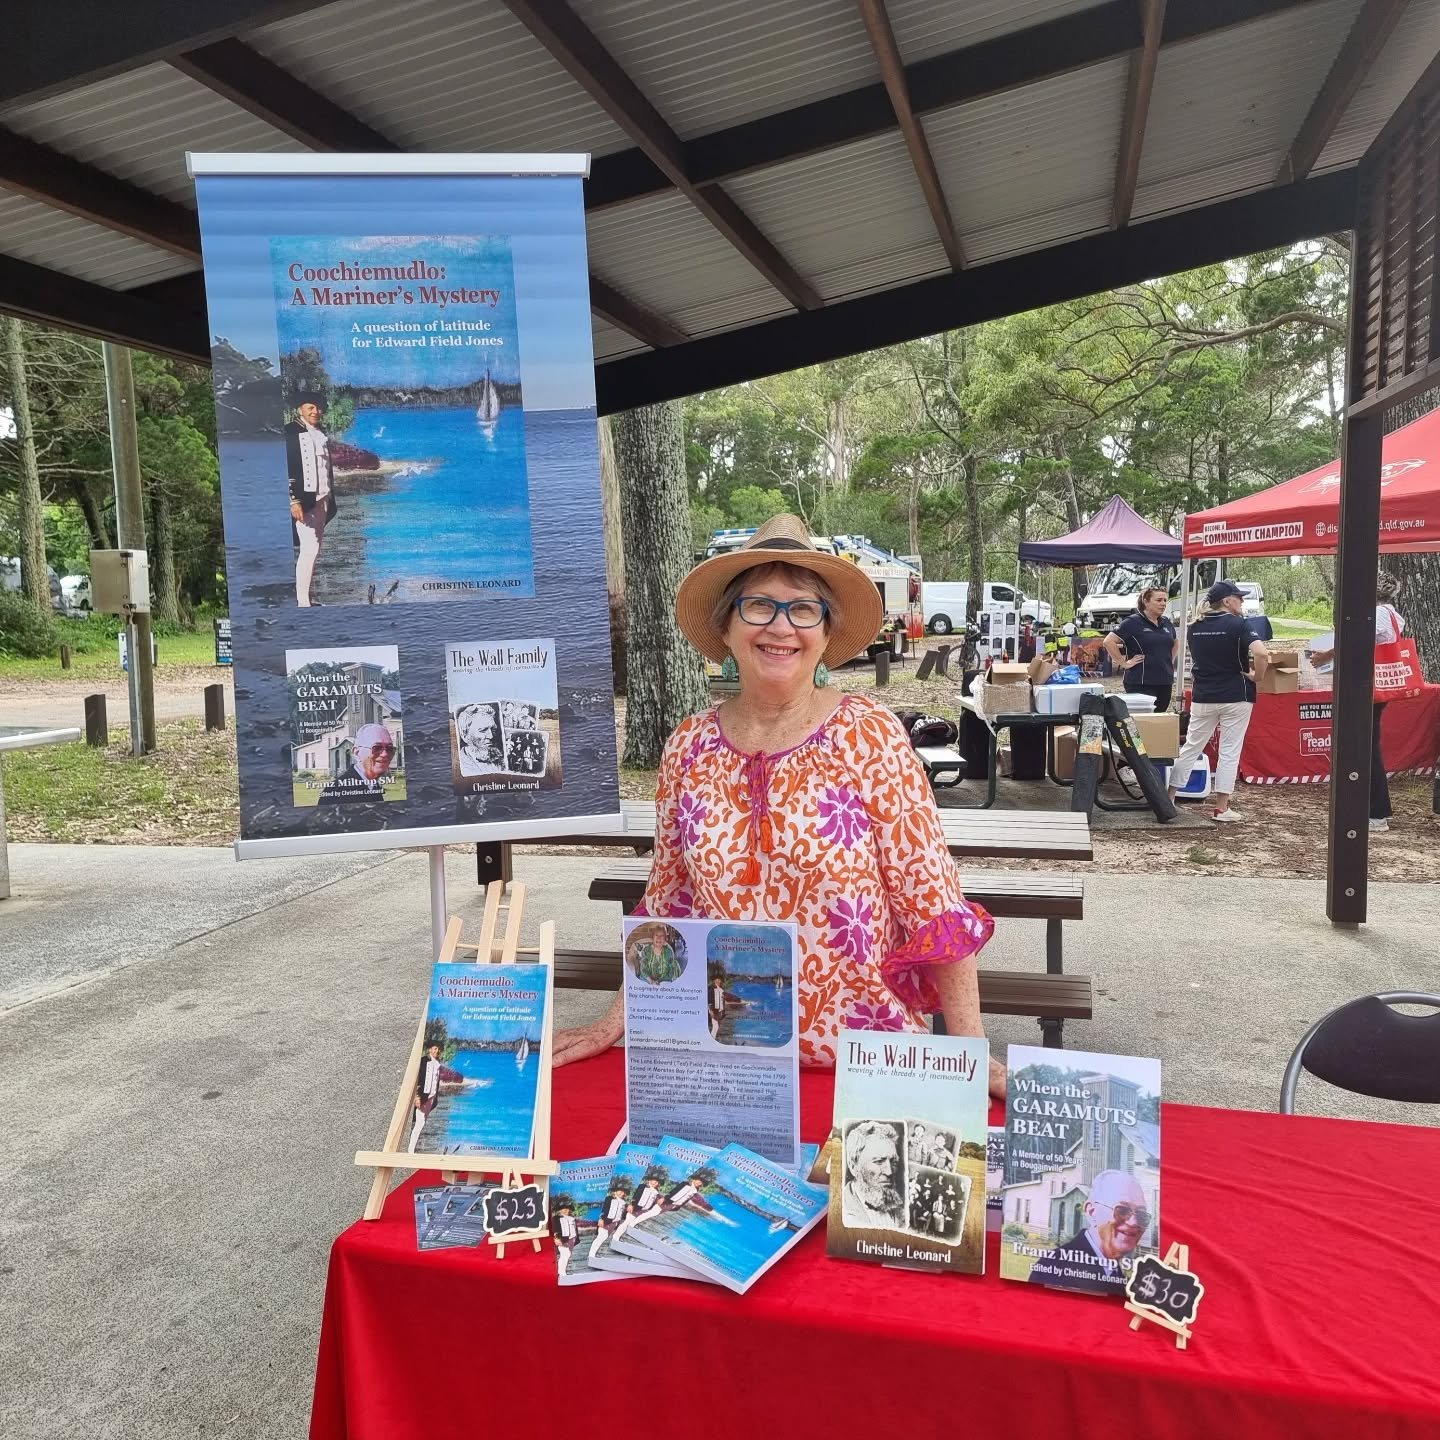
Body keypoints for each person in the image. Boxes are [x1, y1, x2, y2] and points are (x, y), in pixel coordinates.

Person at [551, 513, 999, 1093]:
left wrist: (970, 1055)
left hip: (867, 1070)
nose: (781, 627)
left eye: (804, 608)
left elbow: (933, 903)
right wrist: (615, 1018)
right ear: (728, 627)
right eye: (759, 605)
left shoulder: (870, 736)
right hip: (730, 1068)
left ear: (827, 633)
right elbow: (668, 902)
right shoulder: (689, 746)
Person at [1307, 571, 1405, 833]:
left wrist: (1327, 654)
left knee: (1367, 748)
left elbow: (1357, 642)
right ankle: (1376, 808)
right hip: (1376, 685)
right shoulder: (1392, 614)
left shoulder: (1379, 614)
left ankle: (1377, 812)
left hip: (1368, 686)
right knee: (1367, 745)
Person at [1166, 579, 1270, 822]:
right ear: (1227, 601)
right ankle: (1222, 808)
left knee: (1191, 746)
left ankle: (1168, 799)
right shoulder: (1240, 624)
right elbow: (1262, 652)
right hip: (1236, 694)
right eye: (1239, 597)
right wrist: (1258, 676)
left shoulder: (1194, 626)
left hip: (1204, 694)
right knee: (1229, 751)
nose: (1242, 601)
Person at [1025, 1169, 1149, 1294]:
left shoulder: (1115, 1271)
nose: (1134, 1222)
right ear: (1091, 1212)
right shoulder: (1053, 1268)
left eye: (1141, 1215)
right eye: (1122, 1210)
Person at [286, 392, 337, 608]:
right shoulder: (290, 432)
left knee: (314, 550)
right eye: (310, 408)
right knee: (309, 549)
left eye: (318, 408)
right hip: (304, 501)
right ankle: (302, 602)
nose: (315, 411)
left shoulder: (319, 433)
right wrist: (293, 500)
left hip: (323, 500)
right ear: (300, 409)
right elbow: (286, 465)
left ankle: (306, 596)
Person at [1104, 586, 1179, 713]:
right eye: (1159, 600)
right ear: (1146, 601)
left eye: (1165, 600)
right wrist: (1123, 663)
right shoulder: (1133, 622)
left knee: (1160, 718)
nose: (1163, 604)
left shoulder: (1166, 622)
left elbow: (1175, 642)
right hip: (1141, 681)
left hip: (1164, 680)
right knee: (1144, 721)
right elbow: (1108, 641)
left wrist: (1168, 661)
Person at [842, 1121, 905, 1228]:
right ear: (853, 1166)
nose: (889, 1171)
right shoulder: (842, 1210)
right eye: (879, 1161)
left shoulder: (902, 1213)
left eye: (893, 1162)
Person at [318, 722, 396, 804]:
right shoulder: (334, 792)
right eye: (377, 748)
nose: (385, 754)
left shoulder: (373, 785)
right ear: (357, 753)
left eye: (390, 749)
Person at [408, 1043, 443, 1153]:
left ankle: (414, 1148)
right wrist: (417, 1096)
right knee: (419, 1123)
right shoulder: (423, 1061)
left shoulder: (438, 1064)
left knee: (422, 1122)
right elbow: (418, 1079)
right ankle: (411, 1150)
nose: (437, 1051)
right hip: (423, 1096)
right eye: (435, 1048)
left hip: (432, 1098)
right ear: (429, 1049)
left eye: (438, 1049)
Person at [591, 1184, 630, 1257]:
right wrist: (601, 1218)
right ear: (615, 1191)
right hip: (606, 1221)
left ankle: (596, 1253)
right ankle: (591, 1254)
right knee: (601, 1237)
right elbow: (603, 1209)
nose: (623, 1193)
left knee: (605, 1237)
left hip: (614, 1224)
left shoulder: (623, 1202)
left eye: (624, 1192)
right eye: (620, 1191)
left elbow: (623, 1213)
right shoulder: (609, 1199)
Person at [552, 1203, 578, 1277]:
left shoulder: (572, 1218)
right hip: (563, 1239)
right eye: (564, 1209)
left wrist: (575, 1239)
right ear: (560, 1211)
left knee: (567, 1254)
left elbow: (574, 1229)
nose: (567, 1211)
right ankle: (562, 1273)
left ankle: (562, 1271)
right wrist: (557, 1237)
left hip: (572, 1239)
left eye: (568, 1209)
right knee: (565, 1254)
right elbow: (555, 1229)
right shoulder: (557, 1218)